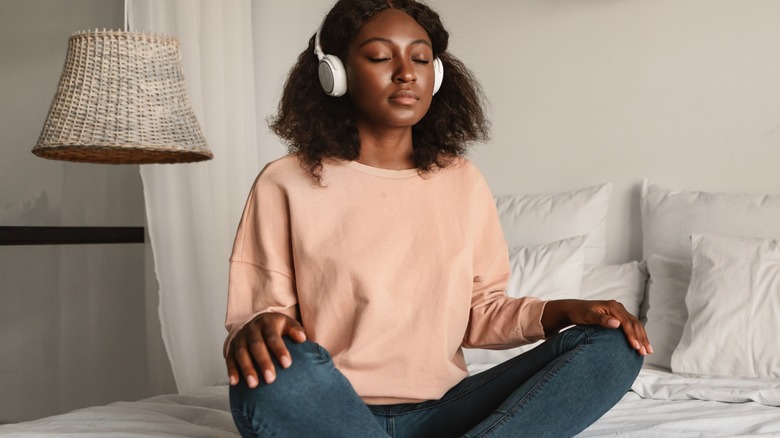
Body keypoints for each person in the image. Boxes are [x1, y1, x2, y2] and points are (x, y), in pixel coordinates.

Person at [224, 0, 651, 436]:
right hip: (331, 407)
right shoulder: (285, 182)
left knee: (616, 345)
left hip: (446, 410)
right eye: (379, 56)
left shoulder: (461, 181)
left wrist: (563, 310)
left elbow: (480, 313)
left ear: (437, 74)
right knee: (275, 374)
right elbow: (263, 320)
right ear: (334, 73)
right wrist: (261, 328)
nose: (406, 71)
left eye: (421, 58)